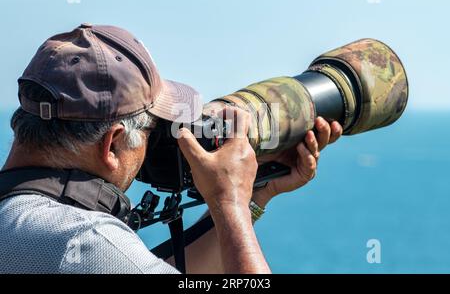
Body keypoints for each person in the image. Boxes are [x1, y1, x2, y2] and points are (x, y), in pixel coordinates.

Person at [0, 24, 342, 274]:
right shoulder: (84, 243)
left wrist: (253, 196)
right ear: (112, 144)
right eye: (153, 130)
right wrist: (229, 204)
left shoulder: (32, 229)